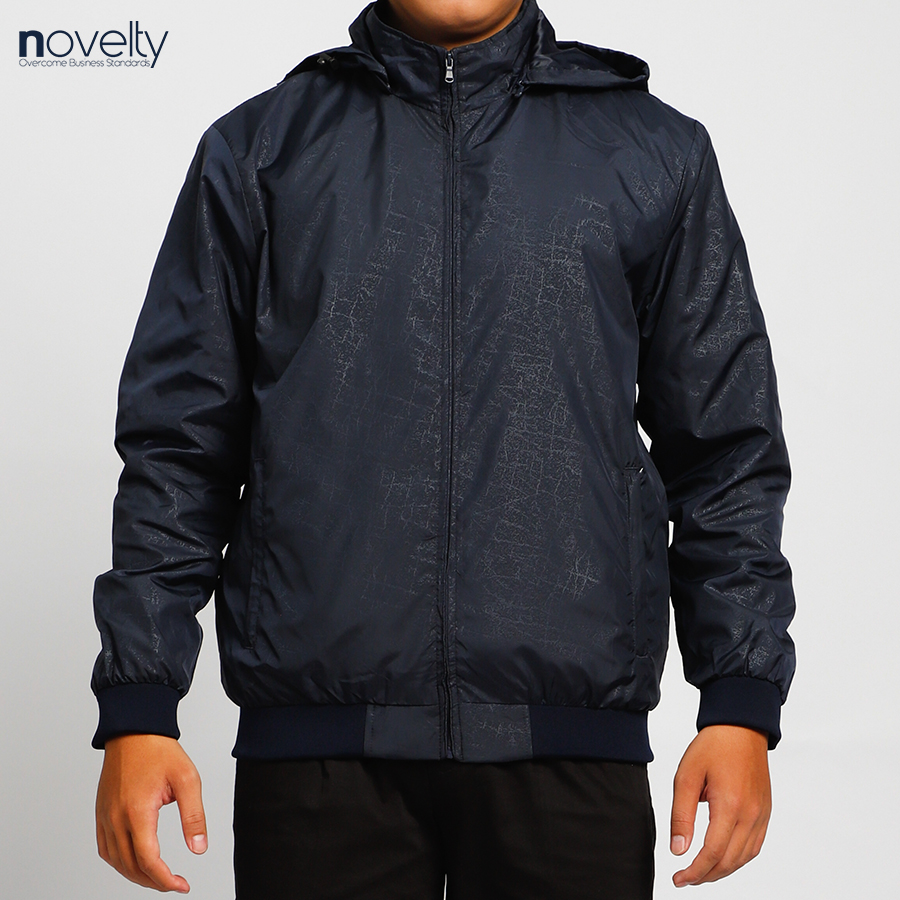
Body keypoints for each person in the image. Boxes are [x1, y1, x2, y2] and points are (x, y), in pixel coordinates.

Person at [91, 0, 796, 896]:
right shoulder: (260, 150)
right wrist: (140, 702)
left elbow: (726, 448)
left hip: (570, 752)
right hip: (317, 758)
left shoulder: (653, 151)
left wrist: (739, 698)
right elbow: (178, 447)